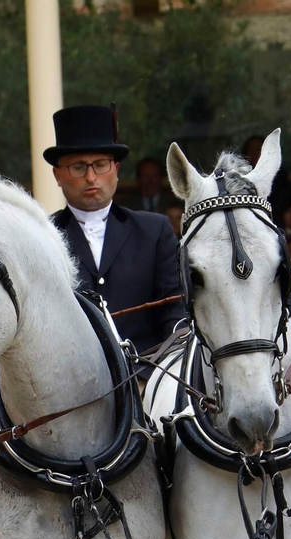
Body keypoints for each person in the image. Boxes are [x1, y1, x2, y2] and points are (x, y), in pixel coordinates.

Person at [46, 104, 183, 359]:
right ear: (57, 175)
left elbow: (176, 313)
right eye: (78, 167)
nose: (90, 177)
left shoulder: (155, 231)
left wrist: (156, 379)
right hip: (70, 389)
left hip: (148, 380)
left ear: (116, 170)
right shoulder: (43, 237)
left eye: (100, 165)